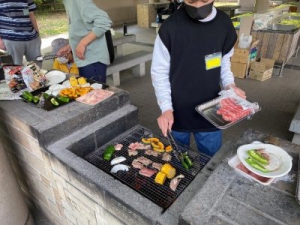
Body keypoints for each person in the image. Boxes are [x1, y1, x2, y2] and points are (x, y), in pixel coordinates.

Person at [151, 0, 246, 157]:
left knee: (211, 160)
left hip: (211, 111)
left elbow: (223, 62)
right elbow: (159, 72)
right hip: (177, 112)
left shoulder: (224, 24)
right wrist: (166, 108)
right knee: (178, 161)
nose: (197, 6)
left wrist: (230, 85)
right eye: (191, 1)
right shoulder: (171, 26)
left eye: (204, 0)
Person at [57, 0, 112, 83]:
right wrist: (70, 46)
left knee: (95, 94)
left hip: (93, 59)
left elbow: (104, 21)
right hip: (84, 59)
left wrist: (83, 43)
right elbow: (82, 27)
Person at [0, 0, 42, 67]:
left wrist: (37, 33)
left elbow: (30, 14)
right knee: (15, 68)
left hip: (32, 37)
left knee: (37, 66)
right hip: (11, 39)